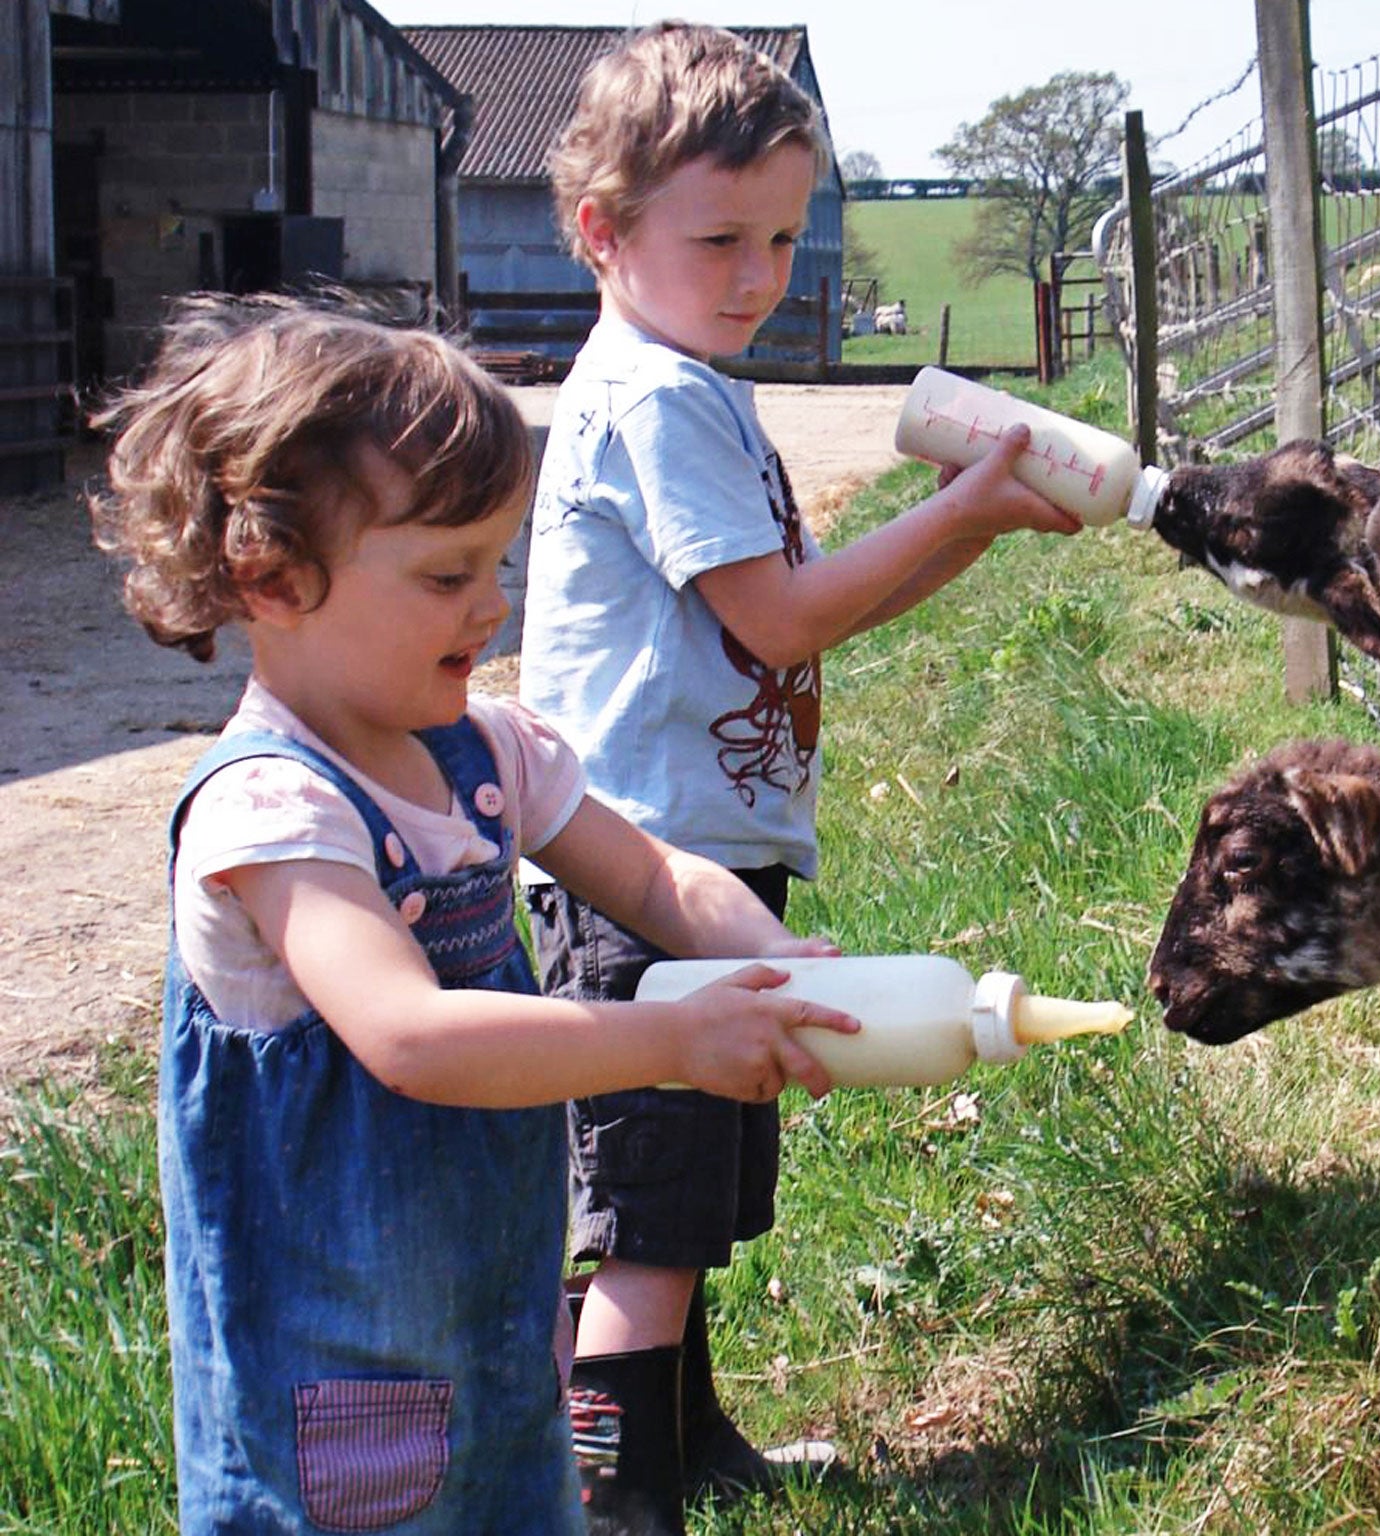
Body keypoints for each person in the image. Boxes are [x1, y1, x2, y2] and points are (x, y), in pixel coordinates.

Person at [91, 294, 860, 1536]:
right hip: (329, 1396)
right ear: (272, 577)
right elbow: (408, 1034)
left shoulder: (481, 752)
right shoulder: (273, 813)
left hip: (487, 1337)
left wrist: (775, 961)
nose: (490, 605)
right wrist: (672, 1042)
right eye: (447, 574)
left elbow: (659, 880)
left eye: (496, 562)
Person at [520, 21, 1081, 1529]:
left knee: (688, 1198)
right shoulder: (657, 397)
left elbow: (805, 597)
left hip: (689, 852)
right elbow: (782, 617)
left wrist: (965, 523)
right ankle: (613, 1498)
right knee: (648, 1208)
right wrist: (965, 515)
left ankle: (688, 1446)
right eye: (720, 239)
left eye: (781, 237)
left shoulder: (688, 378)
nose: (760, 276)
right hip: (636, 865)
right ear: (602, 231)